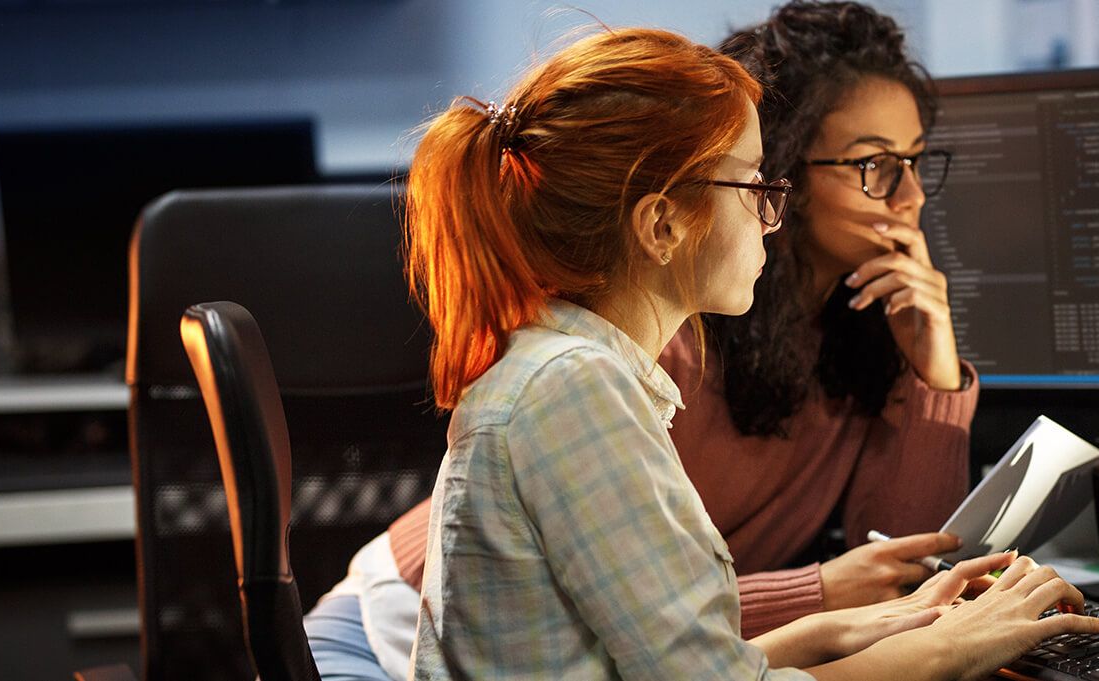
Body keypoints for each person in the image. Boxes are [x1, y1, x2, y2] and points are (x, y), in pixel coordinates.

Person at [303, 3, 1016, 678]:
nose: (912, 197)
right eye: (755, 185)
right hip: (377, 635)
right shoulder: (590, 377)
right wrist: (942, 649)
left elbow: (676, 638)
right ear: (664, 226)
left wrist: (911, 620)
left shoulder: (602, 365)